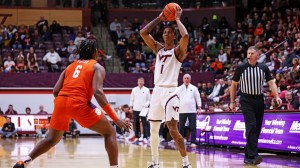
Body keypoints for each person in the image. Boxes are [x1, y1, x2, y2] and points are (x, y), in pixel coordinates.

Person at [13, 39, 131, 168]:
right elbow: (98, 93)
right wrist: (116, 119)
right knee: (110, 132)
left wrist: (67, 108)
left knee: (51, 139)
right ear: (95, 53)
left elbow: (55, 91)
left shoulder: (70, 66)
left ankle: (24, 162)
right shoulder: (97, 66)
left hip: (61, 101)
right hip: (79, 103)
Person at [140, 6, 191, 168]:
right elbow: (143, 33)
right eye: (164, 32)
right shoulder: (158, 49)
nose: (166, 34)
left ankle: (186, 163)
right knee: (153, 129)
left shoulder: (178, 52)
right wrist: (160, 18)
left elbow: (186, 35)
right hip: (157, 91)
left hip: (170, 92)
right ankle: (155, 162)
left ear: (174, 36)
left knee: (172, 129)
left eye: (169, 32)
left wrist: (176, 19)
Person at [230, 46, 282, 165]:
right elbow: (233, 85)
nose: (249, 55)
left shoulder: (263, 68)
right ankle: (254, 155)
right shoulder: (241, 68)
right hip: (246, 99)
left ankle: (248, 156)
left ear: (257, 54)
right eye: (248, 53)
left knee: (257, 128)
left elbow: (271, 83)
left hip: (259, 100)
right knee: (251, 125)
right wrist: (232, 101)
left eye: (252, 53)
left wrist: (277, 96)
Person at [176, 74, 201, 148]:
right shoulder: (179, 88)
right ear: (183, 79)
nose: (186, 79)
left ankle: (193, 142)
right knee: (181, 127)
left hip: (192, 110)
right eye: (185, 78)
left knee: (193, 127)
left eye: (188, 78)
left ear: (190, 79)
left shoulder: (194, 88)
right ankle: (181, 141)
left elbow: (198, 98)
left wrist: (199, 107)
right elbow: (175, 98)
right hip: (182, 110)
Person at [129, 77, 151, 143]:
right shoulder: (134, 89)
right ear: (137, 82)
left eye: (142, 81)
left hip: (144, 110)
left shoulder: (147, 90)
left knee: (144, 123)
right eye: (139, 81)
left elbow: (149, 100)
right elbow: (131, 99)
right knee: (136, 123)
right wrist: (131, 107)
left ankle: (145, 137)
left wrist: (146, 106)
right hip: (135, 109)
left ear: (144, 82)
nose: (140, 82)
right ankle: (137, 137)